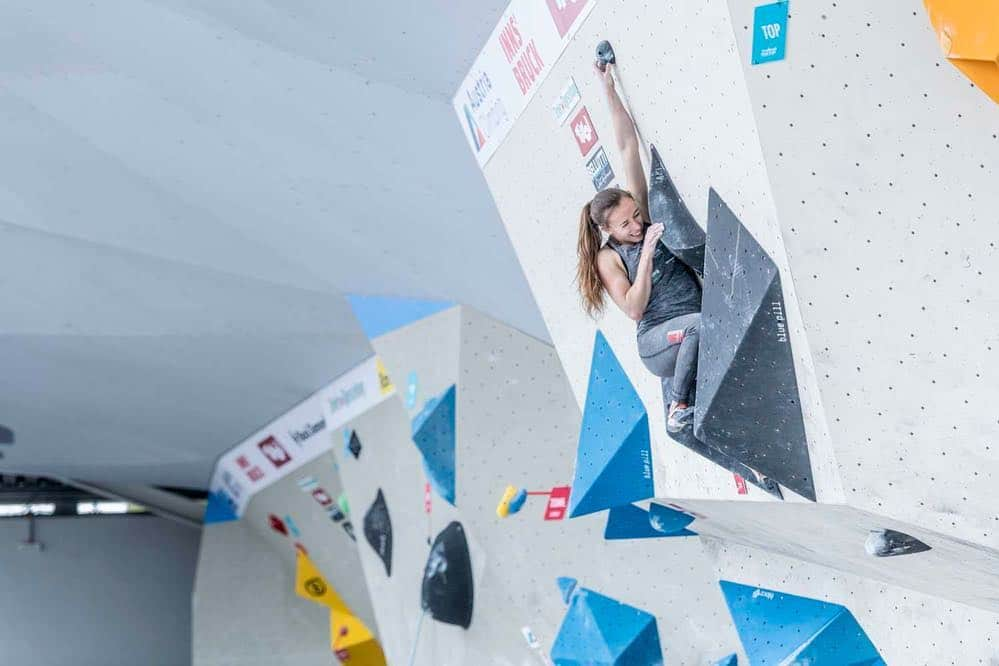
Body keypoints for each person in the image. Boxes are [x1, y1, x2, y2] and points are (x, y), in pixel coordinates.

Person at [575, 62, 702, 433]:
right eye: (625, 224)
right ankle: (678, 408)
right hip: (657, 341)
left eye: (635, 215)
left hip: (688, 323)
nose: (636, 225)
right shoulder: (608, 257)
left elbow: (628, 145)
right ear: (606, 229)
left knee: (702, 325)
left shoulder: (641, 213)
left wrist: (609, 88)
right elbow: (633, 307)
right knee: (698, 327)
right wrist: (645, 253)